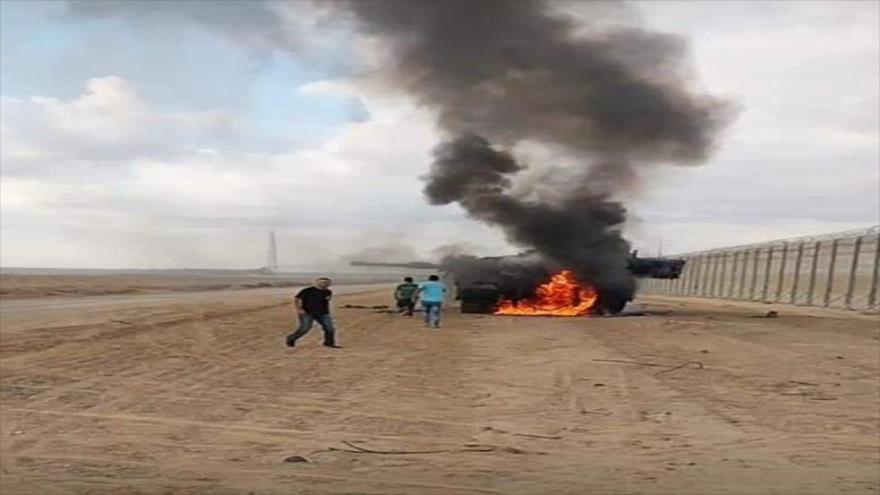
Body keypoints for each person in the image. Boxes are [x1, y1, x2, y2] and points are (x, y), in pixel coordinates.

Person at [286, 277, 341, 349]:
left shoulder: (328, 292)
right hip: (307, 312)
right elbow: (297, 298)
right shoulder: (307, 291)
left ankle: (329, 343)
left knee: (330, 328)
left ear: (329, 284)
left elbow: (326, 301)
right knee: (305, 328)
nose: (324, 284)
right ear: (317, 283)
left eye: (326, 282)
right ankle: (291, 338)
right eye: (322, 282)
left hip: (323, 313)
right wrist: (299, 309)